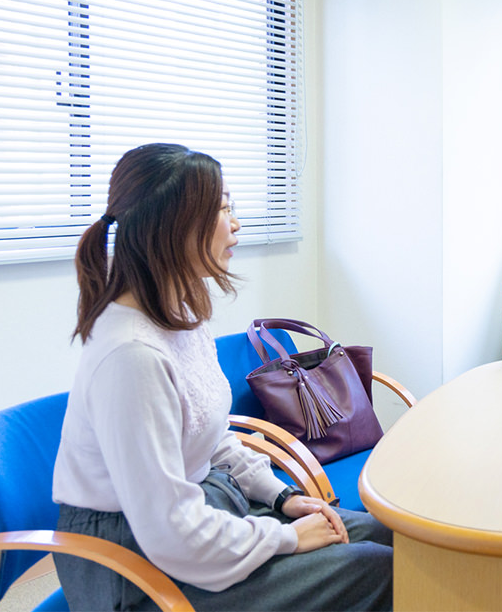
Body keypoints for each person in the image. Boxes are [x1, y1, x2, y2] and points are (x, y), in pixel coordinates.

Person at [53, 143, 393, 611]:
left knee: (383, 534)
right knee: (375, 570)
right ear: (172, 228)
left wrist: (282, 499)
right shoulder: (132, 355)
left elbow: (211, 436)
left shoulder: (179, 315)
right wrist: (286, 538)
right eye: (222, 209)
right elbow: (170, 531)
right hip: (133, 565)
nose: (235, 224)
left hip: (198, 515)